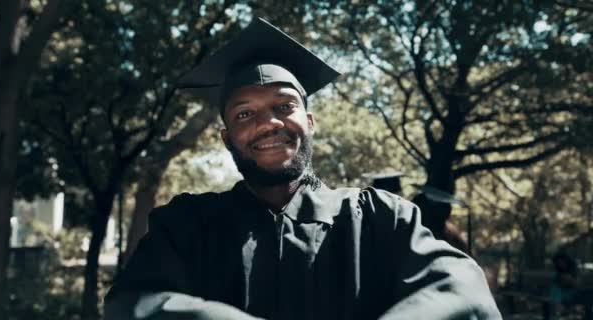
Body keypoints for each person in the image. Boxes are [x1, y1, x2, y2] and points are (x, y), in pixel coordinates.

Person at [104, 18, 501, 320]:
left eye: (284, 106)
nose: (269, 122)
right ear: (227, 139)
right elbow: (137, 301)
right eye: (245, 113)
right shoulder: (186, 226)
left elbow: (461, 286)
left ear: (309, 122)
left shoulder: (381, 219)